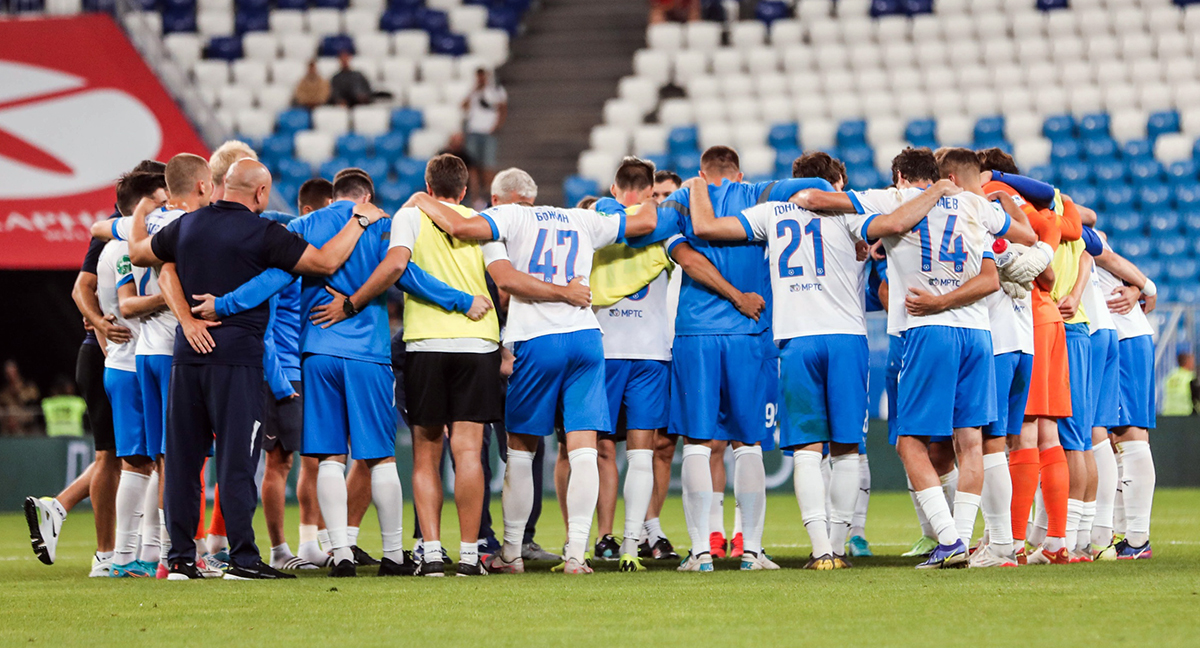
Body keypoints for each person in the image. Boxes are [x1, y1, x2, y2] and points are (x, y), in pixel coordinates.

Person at [127, 159, 382, 580]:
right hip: (238, 358)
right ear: (261, 194)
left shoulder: (187, 226)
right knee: (237, 460)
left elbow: (144, 255)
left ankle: (179, 560)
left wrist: (140, 213)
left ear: (224, 185)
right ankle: (243, 558)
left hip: (187, 354)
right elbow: (323, 264)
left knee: (184, 459)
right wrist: (358, 221)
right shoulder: (265, 233)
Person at [411, 167, 659, 574]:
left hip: (537, 340)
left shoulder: (508, 218)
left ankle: (511, 553)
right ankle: (577, 554)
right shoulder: (582, 217)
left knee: (520, 454)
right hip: (586, 338)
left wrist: (422, 200)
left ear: (499, 199)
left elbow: (459, 227)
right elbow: (646, 219)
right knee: (583, 451)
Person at [588, 158, 674, 571]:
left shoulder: (598, 220)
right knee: (640, 453)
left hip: (605, 349)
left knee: (601, 450)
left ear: (613, 187)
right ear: (651, 188)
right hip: (650, 352)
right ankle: (622, 543)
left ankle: (608, 539)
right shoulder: (661, 225)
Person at [1091, 234, 1158, 560]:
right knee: (1118, 438)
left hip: (1124, 336)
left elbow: (1105, 252)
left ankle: (1137, 538)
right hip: (1123, 335)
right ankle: (1125, 535)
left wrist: (1146, 287)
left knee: (1129, 435)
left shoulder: (1070, 228)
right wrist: (1138, 288)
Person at [463, 69, 508, 208]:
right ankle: (475, 198)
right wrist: (474, 91)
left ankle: (491, 196)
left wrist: (497, 126)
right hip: (473, 132)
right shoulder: (473, 92)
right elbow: (463, 106)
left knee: (488, 165)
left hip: (488, 133)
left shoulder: (496, 90)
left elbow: (503, 109)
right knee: (473, 167)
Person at [1, 360, 40, 435]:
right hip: (8, 426)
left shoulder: (28, 386)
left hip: (25, 423)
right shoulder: (4, 392)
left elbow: (32, 400)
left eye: (12, 371)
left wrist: (18, 391)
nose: (10, 375)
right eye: (7, 373)